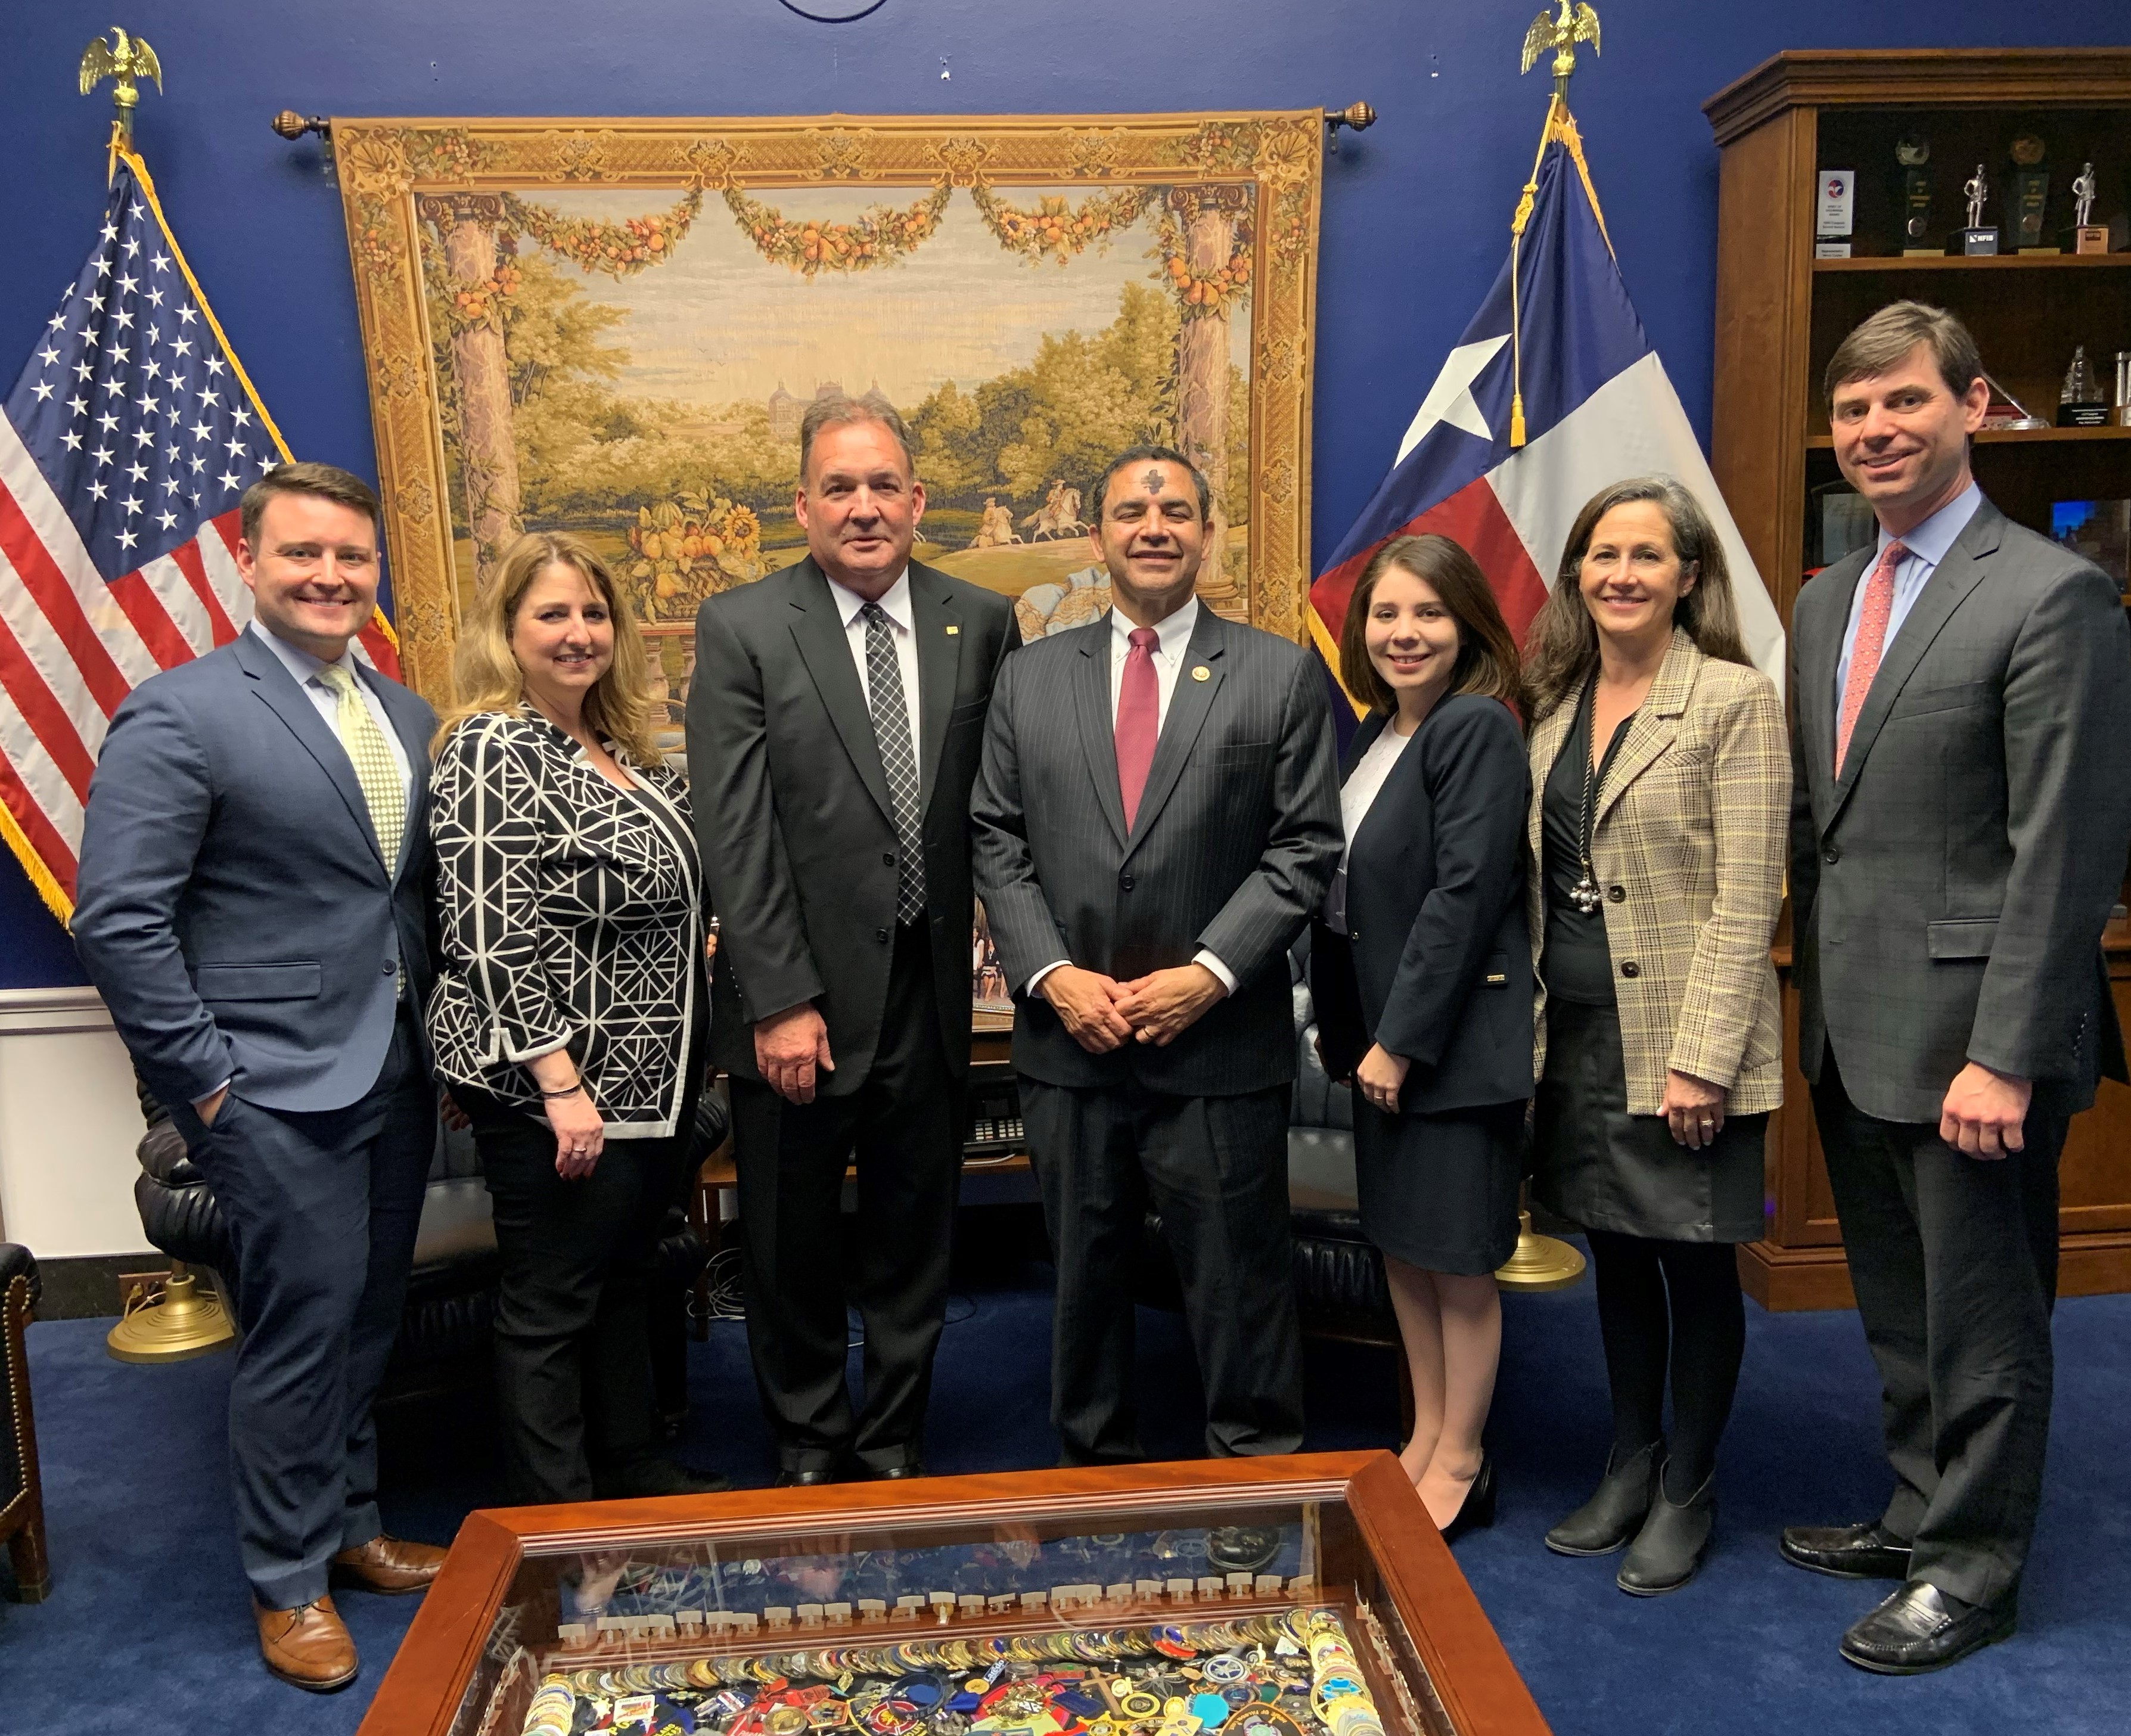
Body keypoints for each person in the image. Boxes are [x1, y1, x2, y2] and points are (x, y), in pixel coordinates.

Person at [1781, 301, 2131, 1673]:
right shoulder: (1824, 600)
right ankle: (1919, 1508)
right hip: (1853, 1024)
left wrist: (2009, 1050)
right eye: (1856, 410)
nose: (1877, 430)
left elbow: (2069, 842)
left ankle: (1974, 1565)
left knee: (1986, 1310)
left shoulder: (2052, 593)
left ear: (1975, 406)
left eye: (1906, 403)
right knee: (1898, 1297)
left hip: (1974, 1042)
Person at [73, 463, 446, 1692]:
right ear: (248, 562)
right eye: (304, 555)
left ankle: (353, 1524)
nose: (332, 575)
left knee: (367, 1316)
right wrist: (210, 1087)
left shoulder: (401, 711)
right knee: (298, 1333)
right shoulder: (179, 711)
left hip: (393, 1070)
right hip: (269, 1089)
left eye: (352, 556)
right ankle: (287, 1581)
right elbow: (120, 919)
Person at [971, 445, 1342, 1471]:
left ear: (1207, 534)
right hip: (1071, 1041)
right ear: (1099, 536)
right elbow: (995, 837)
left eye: (1176, 509)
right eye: (1133, 510)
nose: (1155, 525)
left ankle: (1255, 1472)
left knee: (1237, 1278)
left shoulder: (1277, 672)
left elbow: (1305, 844)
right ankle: (1098, 1470)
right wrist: (1051, 973)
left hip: (1219, 1046)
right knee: (1082, 1277)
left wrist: (1212, 972)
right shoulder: (1031, 677)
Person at [687, 396, 1019, 1484]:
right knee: (789, 1242)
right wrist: (780, 997)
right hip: (799, 1003)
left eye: (884, 486)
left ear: (919, 501)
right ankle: (811, 1435)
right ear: (803, 505)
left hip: (928, 992)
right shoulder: (743, 626)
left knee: (915, 1237)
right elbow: (735, 828)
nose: (864, 507)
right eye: (840, 487)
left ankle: (893, 1436)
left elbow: (997, 809)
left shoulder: (982, 617)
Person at [1522, 476, 1787, 1596]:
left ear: (1688, 575)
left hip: (1684, 1047)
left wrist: (1703, 1057)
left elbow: (1748, 895)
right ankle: (1629, 1461)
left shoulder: (1733, 700)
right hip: (1577, 1035)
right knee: (1618, 1257)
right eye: (1601, 553)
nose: (1621, 573)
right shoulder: (1552, 705)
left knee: (1692, 1259)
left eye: (1646, 554)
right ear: (1577, 574)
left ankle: (1688, 1485)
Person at [425, 530, 722, 1505]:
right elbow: (487, 929)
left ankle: (633, 1462)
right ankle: (559, 1521)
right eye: (552, 613)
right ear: (507, 629)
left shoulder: (620, 747)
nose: (578, 632)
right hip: (556, 1090)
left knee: (624, 1282)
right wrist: (560, 1086)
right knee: (550, 1305)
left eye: (594, 613)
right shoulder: (490, 744)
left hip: (649, 1085)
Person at [1307, 535, 1531, 1539]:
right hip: (1375, 1051)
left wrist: (1398, 1041)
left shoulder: (1474, 727)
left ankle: (1464, 1457)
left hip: (1441, 1051)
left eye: (1428, 614)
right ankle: (1424, 1440)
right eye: (1387, 615)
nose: (1404, 633)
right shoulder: (1374, 736)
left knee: (1458, 1260)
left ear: (1467, 623)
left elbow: (1465, 898)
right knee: (1404, 1253)